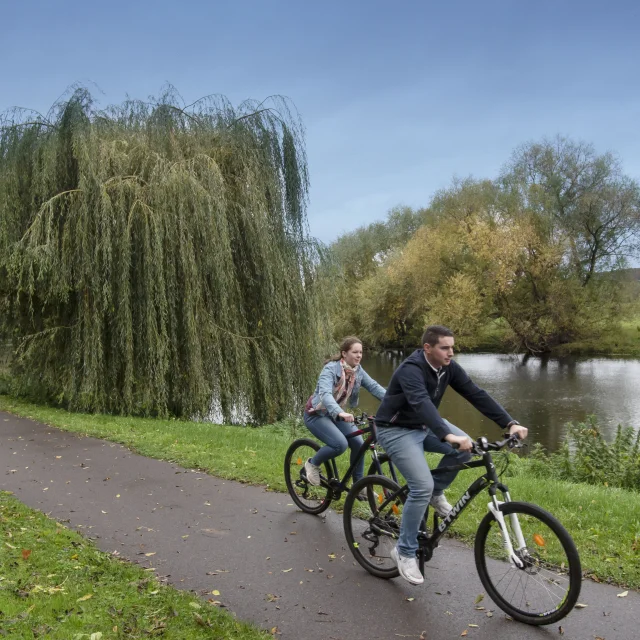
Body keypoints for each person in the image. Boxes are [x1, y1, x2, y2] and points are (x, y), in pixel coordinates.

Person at [375, 325, 528, 585]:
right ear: (427, 348)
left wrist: (509, 423)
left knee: (465, 452)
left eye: (452, 347)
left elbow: (476, 393)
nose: (451, 353)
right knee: (420, 486)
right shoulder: (411, 370)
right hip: (396, 430)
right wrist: (447, 435)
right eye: (445, 348)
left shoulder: (448, 368)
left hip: (425, 427)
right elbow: (421, 403)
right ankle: (404, 551)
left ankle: (436, 493)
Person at [303, 336, 386, 490]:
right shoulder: (330, 369)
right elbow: (325, 395)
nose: (359, 355)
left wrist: (395, 400)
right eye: (355, 352)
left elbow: (374, 387)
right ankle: (312, 464)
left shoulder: (357, 371)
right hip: (317, 415)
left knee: (359, 444)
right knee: (339, 444)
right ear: (344, 354)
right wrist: (340, 413)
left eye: (361, 352)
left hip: (336, 414)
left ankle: (358, 486)